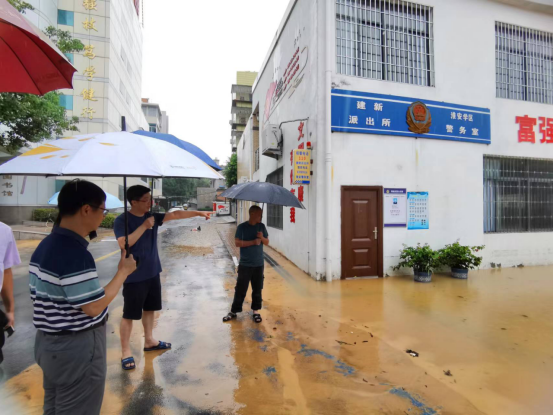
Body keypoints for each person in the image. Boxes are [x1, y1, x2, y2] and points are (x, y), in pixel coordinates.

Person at [30, 179, 136, 415]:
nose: (102, 216)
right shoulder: (74, 253)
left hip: (48, 344)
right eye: (103, 210)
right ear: (87, 209)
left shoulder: (46, 244)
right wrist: (123, 271)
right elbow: (93, 307)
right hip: (76, 348)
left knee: (56, 406)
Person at [114, 185, 210, 370]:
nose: (151, 203)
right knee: (129, 314)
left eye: (151, 199)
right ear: (134, 202)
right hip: (133, 275)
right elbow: (123, 243)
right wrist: (143, 226)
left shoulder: (152, 216)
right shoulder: (122, 220)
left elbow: (175, 216)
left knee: (150, 309)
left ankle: (149, 340)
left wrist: (198, 212)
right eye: (146, 200)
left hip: (152, 271)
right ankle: (126, 351)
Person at [223, 205, 269, 324]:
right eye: (259, 214)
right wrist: (253, 242)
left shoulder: (262, 227)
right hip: (245, 264)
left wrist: (262, 238)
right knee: (240, 289)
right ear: (252, 214)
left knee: (257, 289)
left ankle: (255, 311)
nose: (261, 217)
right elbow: (237, 243)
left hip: (259, 264)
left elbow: (267, 242)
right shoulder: (242, 227)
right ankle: (234, 311)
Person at [0, 221, 21, 365]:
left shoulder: (4, 231)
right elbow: (6, 272)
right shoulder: (3, 230)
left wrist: (10, 310)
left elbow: (6, 272)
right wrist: (9, 310)